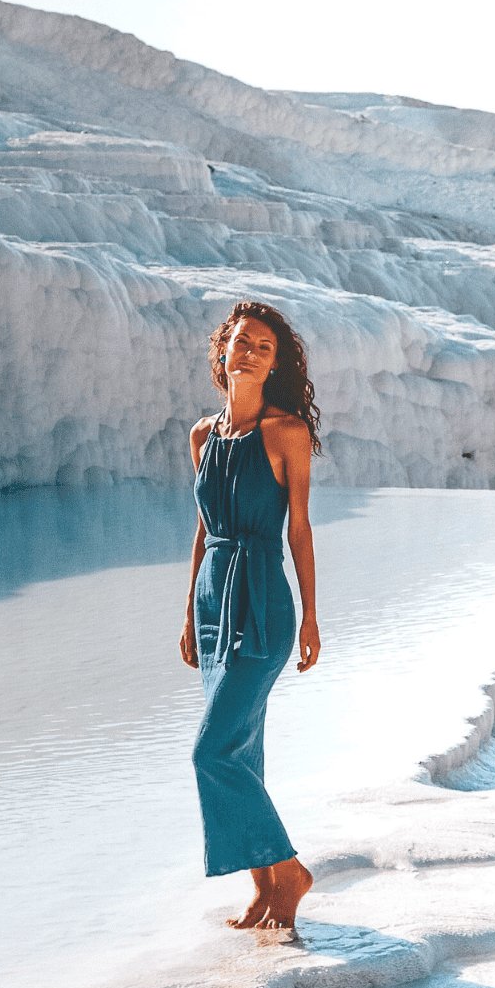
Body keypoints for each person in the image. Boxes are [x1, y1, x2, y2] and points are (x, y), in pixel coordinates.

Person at [179, 300, 321, 931]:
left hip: (263, 597)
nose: (251, 352)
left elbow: (300, 530)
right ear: (223, 352)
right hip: (214, 601)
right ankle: (265, 888)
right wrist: (189, 614)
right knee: (244, 747)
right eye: (242, 342)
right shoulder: (202, 436)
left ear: (275, 363)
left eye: (265, 346)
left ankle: (289, 870)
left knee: (211, 751)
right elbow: (203, 531)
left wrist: (312, 616)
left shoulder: (286, 432)